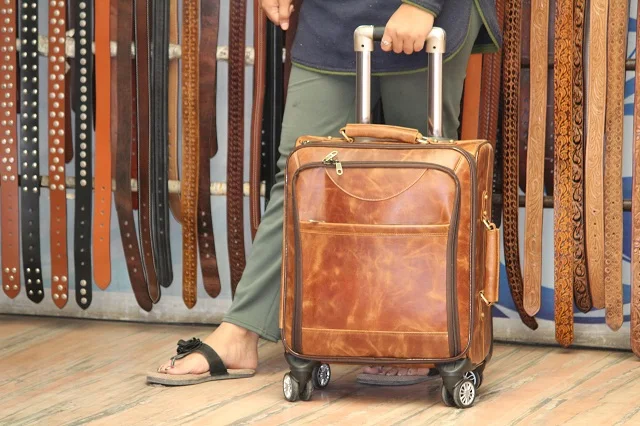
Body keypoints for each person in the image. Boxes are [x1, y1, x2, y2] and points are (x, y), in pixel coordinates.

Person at [148, 0, 501, 386]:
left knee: (420, 178)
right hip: (331, 17)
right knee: (302, 174)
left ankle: (421, 337)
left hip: (423, 14)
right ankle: (240, 332)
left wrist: (423, 3)